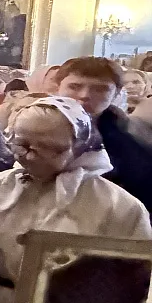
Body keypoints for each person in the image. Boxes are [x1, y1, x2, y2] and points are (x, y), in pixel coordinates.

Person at [0, 97, 152, 303]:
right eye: (22, 145)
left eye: (52, 149)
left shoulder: (118, 205)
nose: (31, 156)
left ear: (80, 145)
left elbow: (139, 276)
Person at [58, 55, 152, 210]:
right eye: (74, 87)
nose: (85, 95)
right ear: (57, 88)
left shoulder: (131, 139)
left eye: (100, 89)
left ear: (116, 94)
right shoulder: (27, 127)